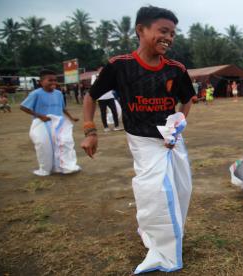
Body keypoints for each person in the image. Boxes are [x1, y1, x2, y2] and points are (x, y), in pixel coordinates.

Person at [81, 6, 195, 273]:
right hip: (142, 141)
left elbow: (187, 99)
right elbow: (90, 97)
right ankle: (161, 251)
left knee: (181, 190)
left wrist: (177, 127)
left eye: (173, 33)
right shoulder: (119, 66)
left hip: (171, 140)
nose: (169, 37)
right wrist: (90, 130)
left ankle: (154, 230)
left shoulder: (176, 69)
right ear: (141, 30)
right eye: (163, 31)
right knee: (154, 193)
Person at [20, 69, 81, 176]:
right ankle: (45, 168)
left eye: (55, 80)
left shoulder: (58, 93)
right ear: (41, 82)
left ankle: (64, 166)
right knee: (44, 146)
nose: (53, 83)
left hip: (58, 124)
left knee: (63, 145)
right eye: (50, 80)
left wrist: (71, 117)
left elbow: (62, 108)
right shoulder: (36, 94)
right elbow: (23, 107)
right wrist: (40, 116)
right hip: (41, 123)